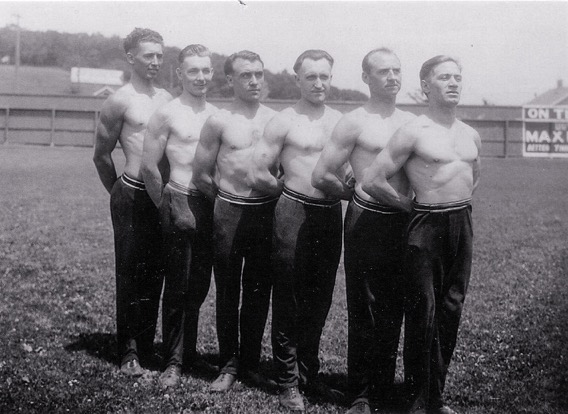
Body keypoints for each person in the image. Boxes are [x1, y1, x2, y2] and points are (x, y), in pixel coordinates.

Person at [361, 55, 481, 414]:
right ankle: (416, 399)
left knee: (451, 308)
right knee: (423, 313)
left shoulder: (470, 133)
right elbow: (372, 180)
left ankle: (435, 397)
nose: (453, 83)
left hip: (461, 223)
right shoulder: (414, 130)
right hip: (424, 225)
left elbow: (474, 177)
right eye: (444, 77)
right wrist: (410, 209)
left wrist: (456, 209)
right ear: (426, 86)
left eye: (458, 77)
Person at [312, 48, 416, 414]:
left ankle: (384, 387)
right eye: (383, 71)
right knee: (366, 307)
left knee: (397, 306)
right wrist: (353, 194)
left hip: (406, 222)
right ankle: (360, 393)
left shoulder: (412, 121)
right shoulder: (354, 121)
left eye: (397, 70)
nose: (392, 77)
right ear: (366, 78)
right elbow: (321, 174)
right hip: (367, 221)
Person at [248, 50, 344, 412]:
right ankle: (287, 381)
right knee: (288, 297)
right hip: (293, 212)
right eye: (311, 77)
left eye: (325, 76)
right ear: (297, 79)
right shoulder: (284, 120)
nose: (319, 84)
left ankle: (309, 374)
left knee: (320, 299)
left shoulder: (341, 121)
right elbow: (258, 172)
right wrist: (289, 196)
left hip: (329, 214)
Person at [192, 50, 278, 393]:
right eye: (245, 75)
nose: (254, 80)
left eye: (258, 73)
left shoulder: (277, 119)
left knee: (259, 291)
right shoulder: (218, 121)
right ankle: (227, 365)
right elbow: (200, 174)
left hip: (266, 212)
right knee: (227, 291)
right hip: (228, 210)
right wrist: (225, 205)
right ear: (230, 80)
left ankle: (252, 364)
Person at [93, 28, 172, 377]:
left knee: (156, 272)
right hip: (130, 193)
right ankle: (127, 352)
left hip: (162, 195)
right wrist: (118, 193)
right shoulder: (119, 100)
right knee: (130, 273)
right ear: (131, 58)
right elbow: (101, 155)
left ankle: (147, 345)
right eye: (147, 55)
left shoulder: (168, 97)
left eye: (159, 55)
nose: (155, 61)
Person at [140, 44, 217, 388]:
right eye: (193, 71)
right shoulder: (168, 113)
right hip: (179, 201)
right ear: (181, 74)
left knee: (198, 285)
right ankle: (173, 360)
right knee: (177, 286)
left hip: (211, 206)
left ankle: (189, 353)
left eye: (206, 70)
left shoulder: (218, 115)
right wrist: (165, 207)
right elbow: (148, 167)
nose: (200, 77)